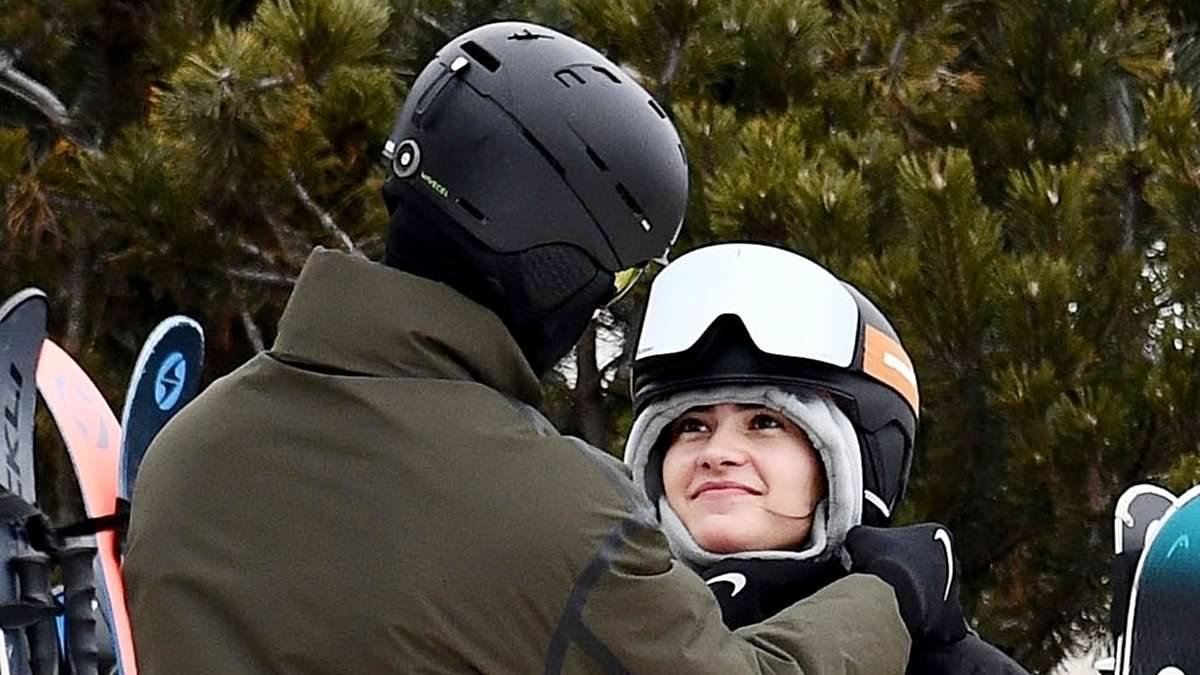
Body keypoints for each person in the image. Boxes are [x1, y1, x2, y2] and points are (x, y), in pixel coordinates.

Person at [124, 22, 925, 674]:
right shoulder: (555, 515)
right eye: (611, 279)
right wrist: (889, 594)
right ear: (554, 265)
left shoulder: (188, 451)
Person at [624, 241, 1030, 674]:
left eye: (764, 422)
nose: (716, 453)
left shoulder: (948, 669)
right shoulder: (599, 629)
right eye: (692, 426)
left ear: (846, 466)